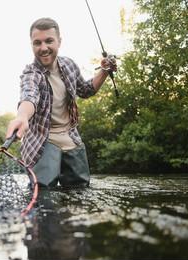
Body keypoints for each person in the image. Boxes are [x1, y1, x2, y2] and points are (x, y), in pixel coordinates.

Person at [6, 17, 116, 188]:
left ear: (59, 42)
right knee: (43, 192)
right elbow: (29, 96)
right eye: (37, 43)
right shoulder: (31, 73)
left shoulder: (69, 65)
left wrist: (104, 71)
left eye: (49, 41)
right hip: (42, 141)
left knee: (79, 191)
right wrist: (22, 116)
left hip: (70, 137)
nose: (43, 48)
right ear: (31, 45)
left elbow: (86, 90)